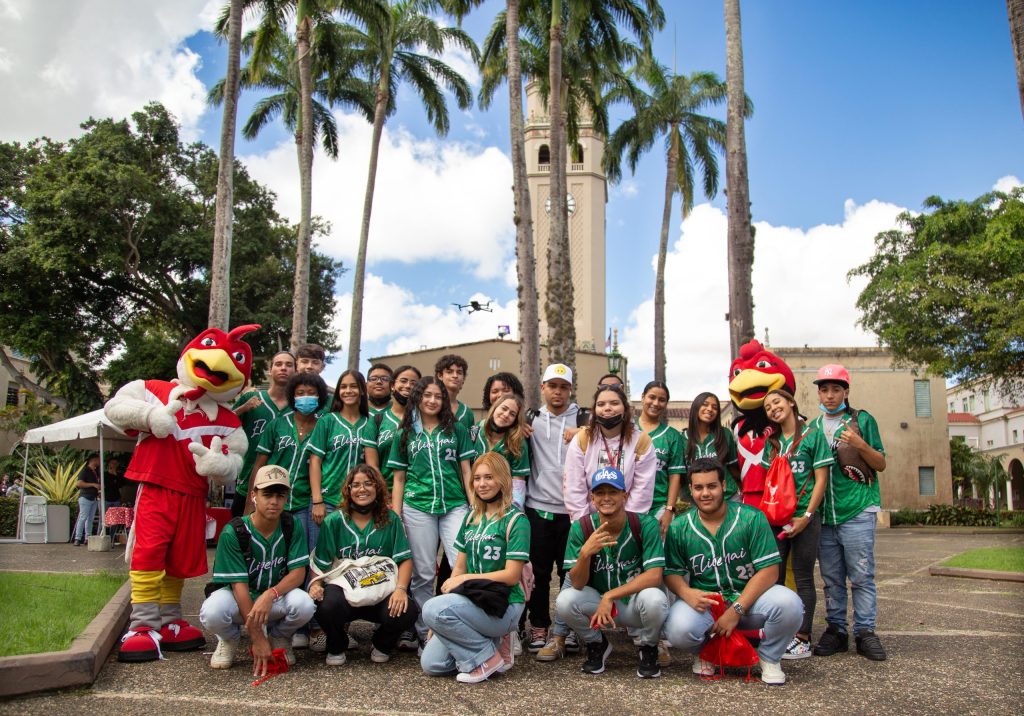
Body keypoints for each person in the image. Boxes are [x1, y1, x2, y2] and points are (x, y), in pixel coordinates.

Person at [662, 457, 803, 685]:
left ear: (724, 485)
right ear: (690, 490)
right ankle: (707, 653)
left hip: (750, 602)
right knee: (678, 628)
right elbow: (671, 571)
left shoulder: (751, 518)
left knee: (790, 604)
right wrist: (686, 593)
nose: (705, 493)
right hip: (708, 604)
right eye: (698, 487)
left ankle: (769, 657)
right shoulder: (680, 527)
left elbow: (769, 571)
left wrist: (736, 610)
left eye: (712, 486)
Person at [421, 452, 530, 683]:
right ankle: (491, 644)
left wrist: (441, 607)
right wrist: (439, 620)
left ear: (503, 480)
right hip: (473, 601)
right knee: (432, 664)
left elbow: (511, 576)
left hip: (504, 605)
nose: (482, 484)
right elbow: (458, 568)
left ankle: (487, 658)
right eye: (477, 478)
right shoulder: (471, 518)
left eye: (489, 477)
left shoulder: (516, 520)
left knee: (431, 608)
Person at [200, 465, 315, 673]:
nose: (274, 501)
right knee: (212, 611)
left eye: (280, 495)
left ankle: (280, 636)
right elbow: (239, 586)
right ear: (254, 495)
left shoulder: (291, 524)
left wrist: (270, 594)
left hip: (273, 599)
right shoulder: (234, 531)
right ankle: (229, 639)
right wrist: (256, 637)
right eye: (267, 494)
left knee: (305, 604)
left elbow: (298, 573)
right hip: (241, 598)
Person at [556, 467, 668, 678]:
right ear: (593, 498)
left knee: (655, 598)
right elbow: (577, 584)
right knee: (565, 601)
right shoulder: (581, 527)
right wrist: (584, 555)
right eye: (600, 493)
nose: (606, 498)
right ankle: (597, 643)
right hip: (598, 604)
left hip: (634, 603)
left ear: (624, 495)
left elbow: (655, 575)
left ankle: (649, 646)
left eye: (613, 492)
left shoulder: (645, 524)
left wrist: (611, 595)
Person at [388, 376, 475, 645]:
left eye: (438, 396)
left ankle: (461, 625)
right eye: (427, 395)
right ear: (417, 397)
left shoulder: (456, 429)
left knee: (461, 564)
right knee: (423, 572)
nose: (433, 400)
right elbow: (399, 478)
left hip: (454, 504)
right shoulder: (404, 433)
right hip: (417, 506)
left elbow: (465, 470)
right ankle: (427, 632)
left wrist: (474, 507)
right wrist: (397, 513)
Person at [809, 364, 888, 661]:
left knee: (862, 575)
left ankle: (865, 632)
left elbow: (880, 463)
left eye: (836, 389)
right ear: (818, 392)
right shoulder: (813, 428)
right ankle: (837, 630)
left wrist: (859, 443)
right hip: (825, 515)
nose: (830, 396)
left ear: (846, 391)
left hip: (856, 510)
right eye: (824, 389)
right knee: (831, 577)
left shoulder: (861, 420)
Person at [309, 464, 417, 666]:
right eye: (356, 485)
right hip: (345, 592)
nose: (362, 489)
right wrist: (315, 585)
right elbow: (320, 563)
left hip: (379, 591)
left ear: (378, 488)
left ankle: (382, 644)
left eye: (368, 484)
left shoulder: (390, 519)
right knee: (323, 604)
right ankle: (337, 643)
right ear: (348, 490)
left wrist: (401, 590)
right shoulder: (334, 521)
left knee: (408, 609)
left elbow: (404, 560)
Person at [760, 388, 832, 659]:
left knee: (803, 578)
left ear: (790, 403)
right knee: (773, 577)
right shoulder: (774, 442)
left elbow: (820, 480)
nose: (772, 408)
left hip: (804, 518)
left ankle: (802, 637)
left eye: (776, 402)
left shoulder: (813, 436)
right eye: (768, 407)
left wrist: (807, 517)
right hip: (776, 520)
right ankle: (777, 634)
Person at [525, 364, 585, 659]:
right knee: (537, 573)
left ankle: (569, 627)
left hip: (573, 511)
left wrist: (585, 430)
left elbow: (612, 431)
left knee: (570, 571)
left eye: (563, 386)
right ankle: (539, 625)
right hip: (538, 508)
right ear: (543, 387)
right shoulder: (531, 419)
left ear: (570, 389)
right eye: (553, 386)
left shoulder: (584, 418)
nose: (558, 391)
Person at [307, 370, 380, 550]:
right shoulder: (327, 421)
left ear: (362, 390)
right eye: (344, 387)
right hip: (328, 499)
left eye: (353, 386)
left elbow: (372, 466)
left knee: (349, 557)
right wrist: (317, 501)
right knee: (319, 557)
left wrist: (382, 498)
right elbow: (315, 462)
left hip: (357, 503)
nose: (348, 391)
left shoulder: (368, 423)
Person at [563, 384, 656, 522]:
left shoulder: (641, 441)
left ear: (625, 408)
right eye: (601, 404)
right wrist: (584, 526)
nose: (607, 408)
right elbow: (574, 489)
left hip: (627, 522)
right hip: (590, 520)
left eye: (614, 403)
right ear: (594, 410)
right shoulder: (582, 439)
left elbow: (642, 492)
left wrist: (626, 526)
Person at [231, 350, 296, 517]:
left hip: (284, 488)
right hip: (248, 483)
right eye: (279, 364)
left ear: (295, 371)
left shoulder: (299, 409)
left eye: (289, 365)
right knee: (242, 538)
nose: (283, 368)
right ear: (270, 369)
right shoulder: (252, 399)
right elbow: (223, 424)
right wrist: (242, 409)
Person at [636, 381, 685, 537]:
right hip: (629, 506)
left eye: (661, 400)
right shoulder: (628, 429)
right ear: (643, 397)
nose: (656, 403)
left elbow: (675, 476)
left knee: (659, 558)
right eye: (652, 397)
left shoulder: (672, 436)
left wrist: (669, 510)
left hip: (658, 506)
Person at [471, 393, 530, 509]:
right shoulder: (475, 432)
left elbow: (518, 482)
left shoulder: (517, 443)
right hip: (474, 501)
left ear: (515, 420)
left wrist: (513, 511)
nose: (506, 415)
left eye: (512, 414)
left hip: (502, 506)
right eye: (504, 408)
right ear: (495, 407)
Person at [680, 392, 742, 500]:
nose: (710, 409)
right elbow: (678, 474)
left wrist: (744, 491)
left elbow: (733, 468)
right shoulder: (681, 438)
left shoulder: (724, 434)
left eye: (715, 407)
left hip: (728, 497)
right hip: (696, 501)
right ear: (696, 407)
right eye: (705, 404)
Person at [434, 354, 475, 430]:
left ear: (463, 378)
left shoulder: (468, 413)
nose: (455, 375)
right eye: (449, 372)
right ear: (440, 375)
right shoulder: (431, 405)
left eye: (459, 372)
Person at [72, 454, 102, 545]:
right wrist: (93, 484)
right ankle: (77, 538)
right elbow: (79, 483)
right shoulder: (85, 470)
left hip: (94, 497)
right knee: (83, 517)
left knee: (90, 519)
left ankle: (88, 537)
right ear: (93, 460)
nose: (99, 462)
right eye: (98, 460)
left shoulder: (96, 471)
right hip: (85, 497)